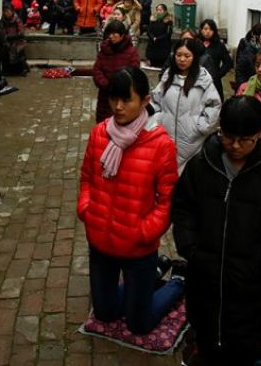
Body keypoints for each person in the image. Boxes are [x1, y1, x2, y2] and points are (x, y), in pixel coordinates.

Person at [172, 96, 261, 364]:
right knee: (208, 344)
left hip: (252, 293)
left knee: (246, 351)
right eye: (228, 136)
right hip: (205, 283)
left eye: (245, 139)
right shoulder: (202, 166)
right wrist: (193, 250)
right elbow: (183, 209)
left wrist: (259, 269)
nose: (234, 146)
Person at [77, 67, 184, 335]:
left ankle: (177, 283)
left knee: (140, 324)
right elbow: (87, 177)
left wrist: (143, 231)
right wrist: (87, 210)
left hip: (138, 247)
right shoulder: (100, 133)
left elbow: (168, 201)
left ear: (146, 100)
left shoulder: (161, 145)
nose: (118, 107)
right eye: (114, 99)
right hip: (101, 241)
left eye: (127, 100)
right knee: (105, 312)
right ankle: (154, 275)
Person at [151, 39, 221, 174]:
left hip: (193, 142)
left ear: (195, 57)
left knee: (188, 178)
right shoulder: (168, 76)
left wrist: (201, 126)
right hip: (165, 137)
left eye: (187, 56)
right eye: (178, 55)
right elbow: (155, 100)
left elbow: (214, 105)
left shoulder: (203, 80)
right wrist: (158, 120)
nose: (182, 59)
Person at [92, 21, 140, 122]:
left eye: (114, 34)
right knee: (103, 126)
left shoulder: (131, 52)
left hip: (123, 96)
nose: (111, 36)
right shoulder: (104, 50)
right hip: (105, 96)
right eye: (109, 33)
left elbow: (134, 72)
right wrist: (106, 84)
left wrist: (119, 86)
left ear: (122, 35)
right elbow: (97, 69)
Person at [197, 19, 234, 102]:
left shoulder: (219, 45)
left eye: (210, 29)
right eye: (205, 29)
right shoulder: (196, 43)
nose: (207, 32)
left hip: (213, 81)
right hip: (197, 79)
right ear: (201, 30)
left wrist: (218, 75)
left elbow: (228, 63)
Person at [0, 6, 29, 76]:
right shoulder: (1, 21)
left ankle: (21, 69)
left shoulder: (17, 20)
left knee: (18, 48)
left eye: (8, 11)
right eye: (5, 11)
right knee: (5, 48)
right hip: (7, 40)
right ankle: (6, 70)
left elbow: (21, 33)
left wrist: (13, 37)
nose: (7, 13)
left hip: (17, 40)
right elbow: (1, 32)